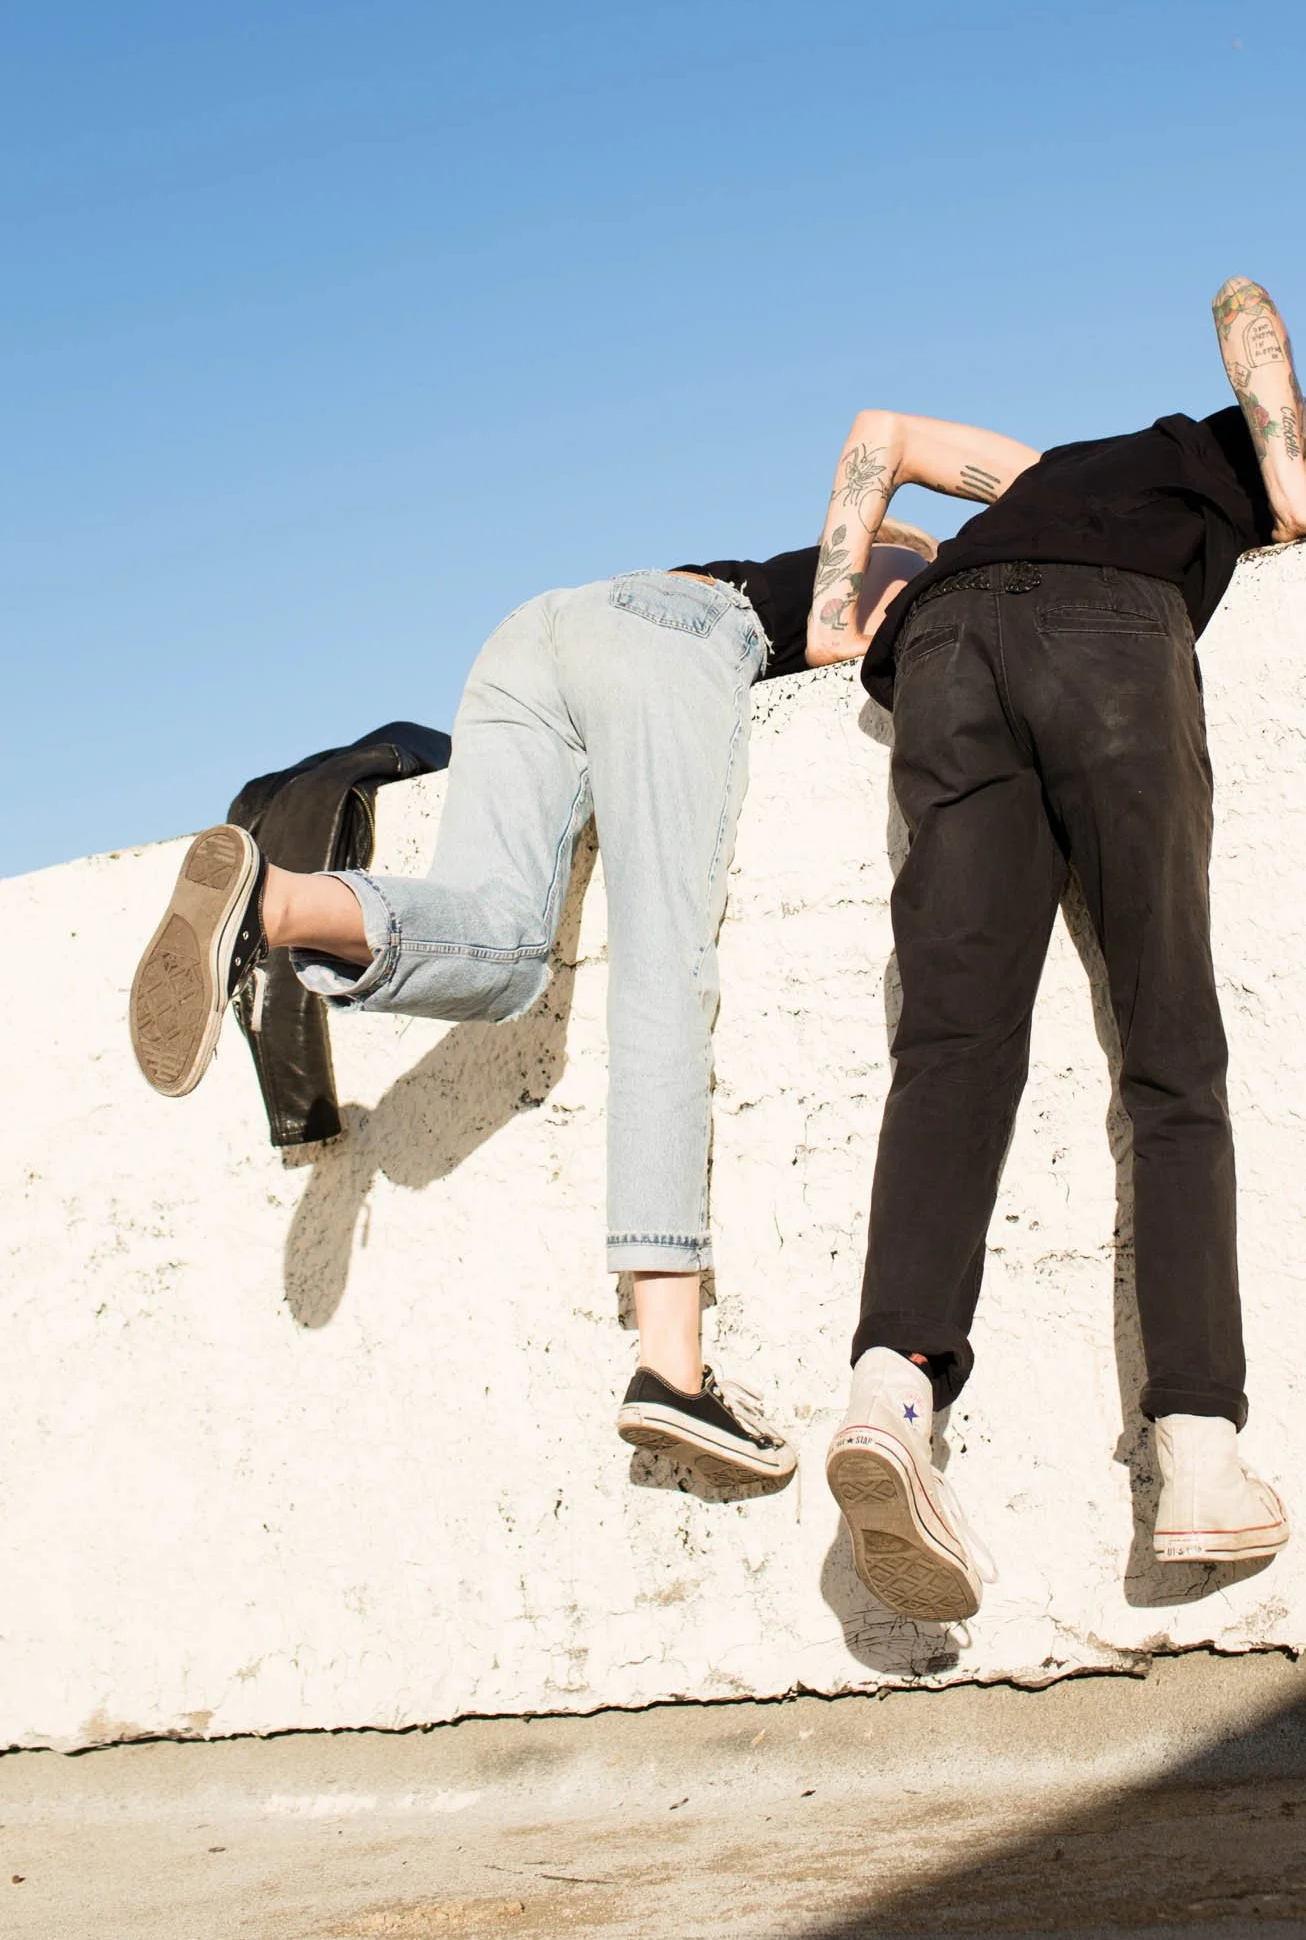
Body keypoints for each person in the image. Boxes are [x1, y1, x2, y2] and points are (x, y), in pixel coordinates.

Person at [809, 276, 1306, 1620]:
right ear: (1285, 443)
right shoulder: (1249, 457)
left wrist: (834, 614)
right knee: (1168, 1058)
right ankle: (1195, 1452)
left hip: (945, 647)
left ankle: (889, 1398)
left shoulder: (1048, 474)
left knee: (948, 1049)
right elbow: (1244, 305)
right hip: (1107, 638)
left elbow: (877, 438)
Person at [128, 531, 930, 1489]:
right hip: (677, 641)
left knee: (505, 950)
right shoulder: (899, 558)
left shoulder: (751, 559)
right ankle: (672, 1368)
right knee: (662, 968)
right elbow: (856, 630)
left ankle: (278, 903)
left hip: (529, 638)